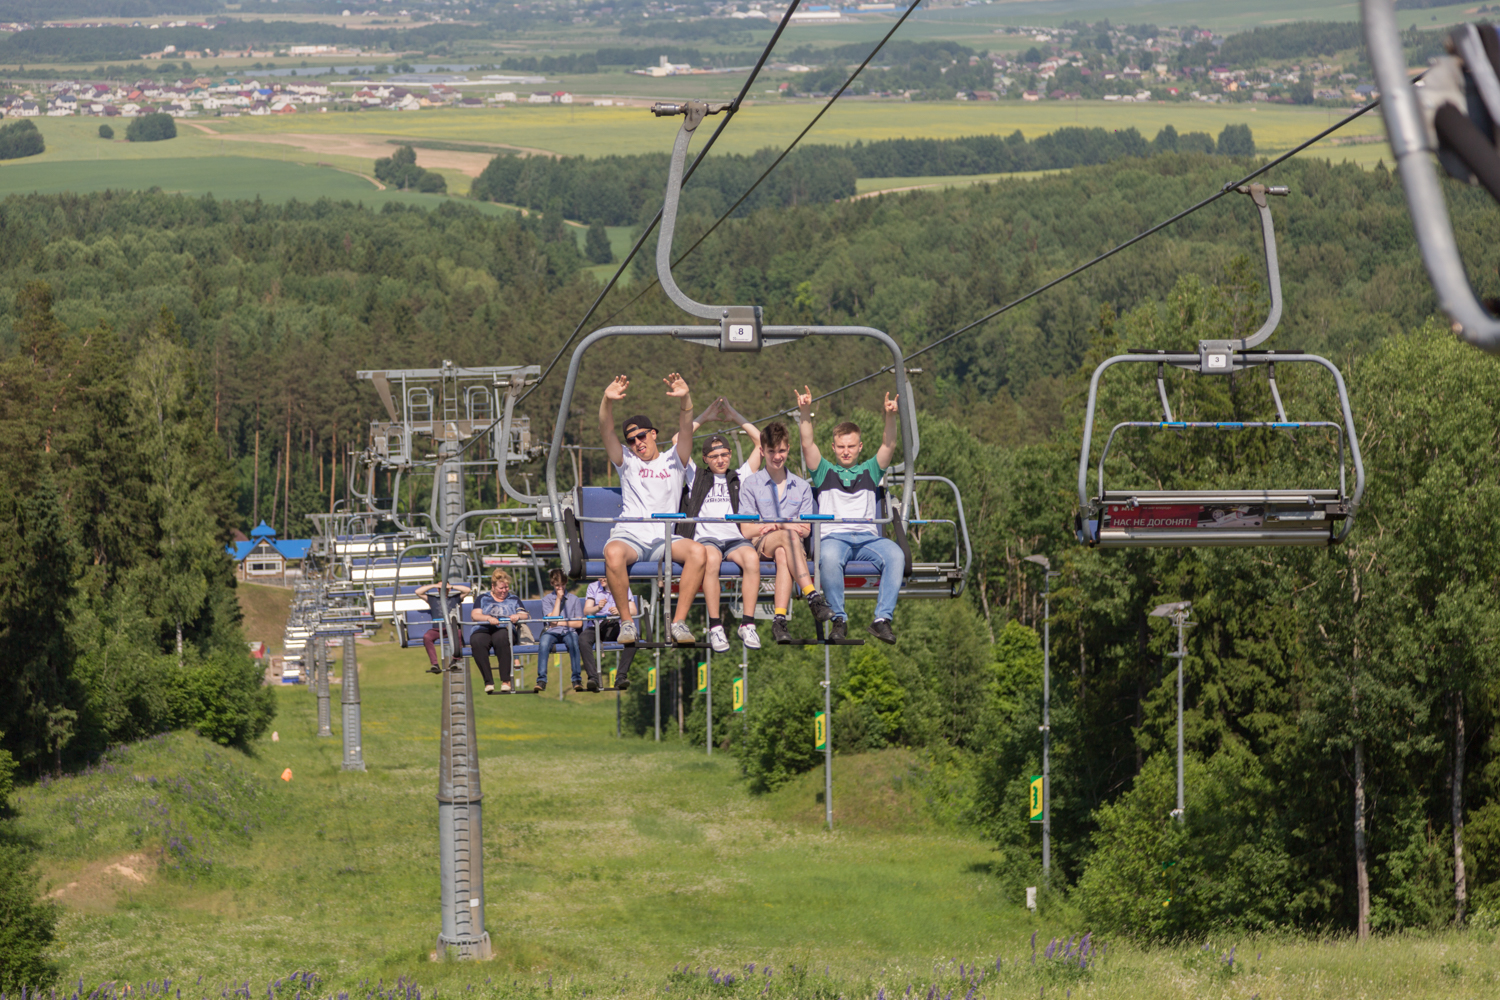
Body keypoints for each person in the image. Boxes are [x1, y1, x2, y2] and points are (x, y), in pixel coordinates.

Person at [598, 372, 706, 663]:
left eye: (641, 436)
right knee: (612, 552)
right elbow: (605, 429)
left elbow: (686, 427)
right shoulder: (627, 461)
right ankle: (627, 622)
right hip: (632, 534)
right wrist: (606, 402)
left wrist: (685, 399)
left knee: (698, 551)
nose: (637, 443)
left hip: (664, 536)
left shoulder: (675, 459)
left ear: (653, 434)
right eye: (631, 440)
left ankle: (679, 622)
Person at [796, 386, 904, 644]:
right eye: (841, 447)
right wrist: (805, 411)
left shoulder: (870, 471)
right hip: (835, 537)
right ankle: (839, 620)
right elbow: (807, 443)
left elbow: (889, 444)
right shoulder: (824, 472)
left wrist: (890, 416)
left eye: (851, 446)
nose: (846, 451)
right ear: (833, 447)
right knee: (830, 557)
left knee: (896, 554)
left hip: (868, 539)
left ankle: (881, 619)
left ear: (860, 447)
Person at [676, 397, 764, 652]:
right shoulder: (696, 476)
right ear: (705, 459)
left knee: (751, 560)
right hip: (707, 540)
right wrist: (705, 416)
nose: (721, 459)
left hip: (735, 539)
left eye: (725, 454)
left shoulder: (739, 477)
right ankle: (715, 626)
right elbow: (676, 442)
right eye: (714, 456)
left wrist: (734, 415)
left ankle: (747, 623)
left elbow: (761, 444)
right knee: (710, 560)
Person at [737, 420, 832, 644]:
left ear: (788, 449)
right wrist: (786, 525)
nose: (777, 457)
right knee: (788, 536)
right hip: (761, 544)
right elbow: (747, 529)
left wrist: (776, 524)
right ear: (762, 451)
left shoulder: (802, 487)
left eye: (781, 451)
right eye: (771, 452)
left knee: (783, 552)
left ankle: (779, 620)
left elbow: (806, 529)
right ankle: (812, 595)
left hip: (789, 548)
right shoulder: (751, 485)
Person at [579, 574, 645, 689]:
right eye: (599, 577)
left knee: (633, 637)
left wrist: (620, 612)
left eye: (604, 577)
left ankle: (621, 677)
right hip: (597, 625)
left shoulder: (623, 587)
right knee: (583, 639)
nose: (601, 579)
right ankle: (593, 677)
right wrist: (598, 608)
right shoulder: (593, 587)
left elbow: (633, 611)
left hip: (616, 625)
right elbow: (587, 611)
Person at [472, 568, 529, 695]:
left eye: (506, 588)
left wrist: (517, 616)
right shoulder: (483, 598)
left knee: (502, 638)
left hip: (504, 629)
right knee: (477, 641)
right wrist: (488, 618)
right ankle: (488, 681)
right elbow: (475, 615)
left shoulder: (513, 599)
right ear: (493, 586)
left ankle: (506, 680)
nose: (504, 591)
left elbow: (525, 615)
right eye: (501, 588)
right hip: (485, 628)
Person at [536, 569, 584, 694]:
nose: (560, 588)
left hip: (569, 631)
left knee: (574, 642)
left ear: (566, 583)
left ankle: (576, 679)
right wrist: (558, 599)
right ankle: (541, 680)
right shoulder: (547, 600)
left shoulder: (574, 599)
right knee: (544, 643)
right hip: (552, 631)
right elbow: (552, 622)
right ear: (552, 585)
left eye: (562, 585)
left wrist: (560, 622)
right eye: (557, 585)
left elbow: (578, 623)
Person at [414, 579, 472, 673]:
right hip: (437, 629)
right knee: (427, 637)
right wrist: (434, 585)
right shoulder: (433, 599)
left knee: (458, 633)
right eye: (441, 588)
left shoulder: (454, 599)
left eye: (445, 588)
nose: (443, 590)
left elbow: (467, 590)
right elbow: (418, 592)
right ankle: (435, 664)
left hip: (451, 627)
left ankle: (455, 660)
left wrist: (451, 586)